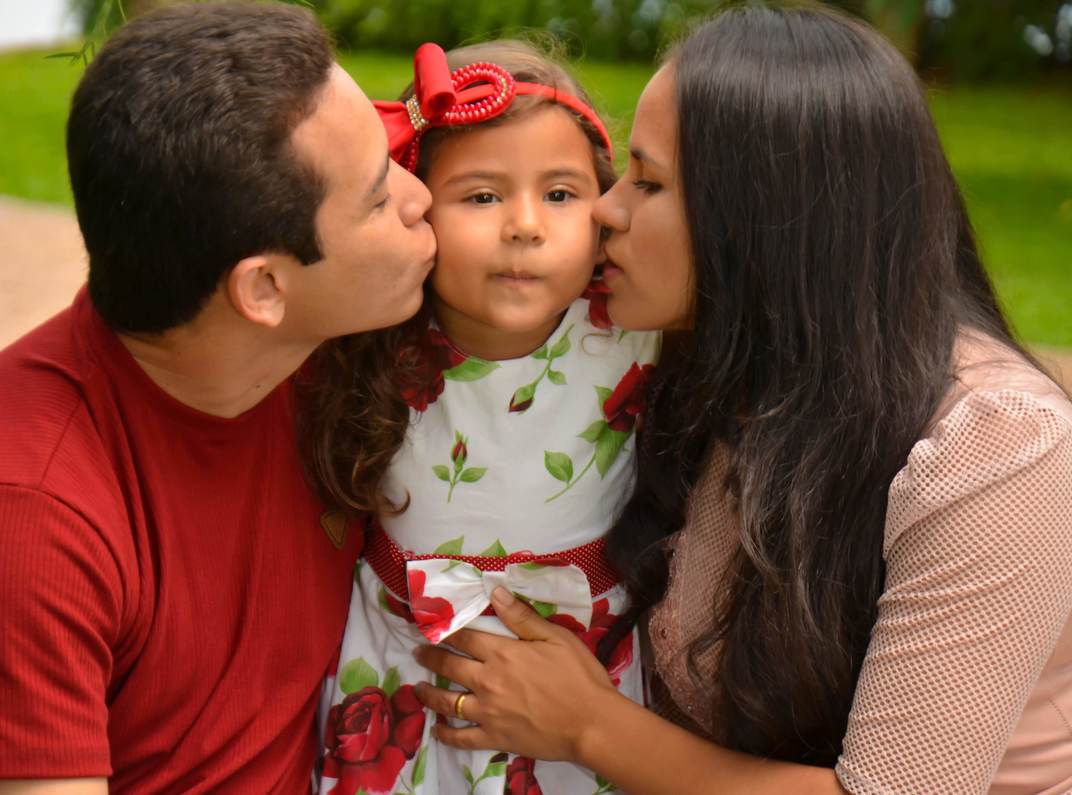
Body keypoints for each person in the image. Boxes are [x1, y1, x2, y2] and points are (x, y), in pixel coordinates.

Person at [407, 7, 1072, 795]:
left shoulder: (997, 445)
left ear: (765, 222)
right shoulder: (709, 357)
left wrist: (587, 725)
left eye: (649, 181)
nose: (605, 208)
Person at [0, 3, 435, 793]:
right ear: (263, 288)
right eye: (378, 198)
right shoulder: (22, 520)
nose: (420, 196)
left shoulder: (309, 347)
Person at [296, 41, 659, 794]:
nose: (524, 225)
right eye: (483, 197)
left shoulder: (632, 332)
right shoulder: (372, 340)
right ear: (414, 204)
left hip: (578, 681)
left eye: (560, 194)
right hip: (406, 680)